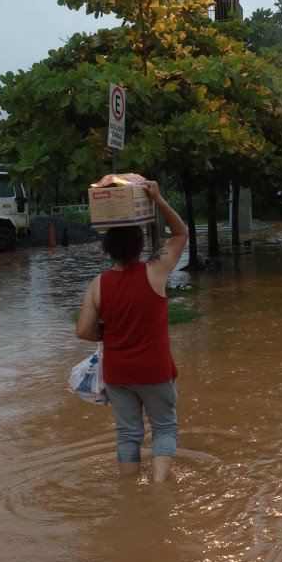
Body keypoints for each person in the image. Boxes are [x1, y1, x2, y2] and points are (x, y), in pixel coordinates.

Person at [76, 181, 188, 482]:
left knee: (128, 433)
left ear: (107, 248)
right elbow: (181, 233)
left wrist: (110, 334)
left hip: (118, 374)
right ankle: (159, 488)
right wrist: (158, 198)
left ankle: (128, 492)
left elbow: (83, 330)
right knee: (164, 427)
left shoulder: (99, 284)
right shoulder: (155, 271)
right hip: (154, 369)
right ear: (140, 245)